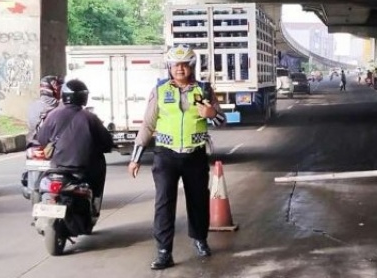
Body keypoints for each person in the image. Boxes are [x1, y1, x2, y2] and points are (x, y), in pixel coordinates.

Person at [128, 45, 226, 270]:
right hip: (165, 156)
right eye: (175, 65)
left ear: (192, 67)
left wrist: (212, 114)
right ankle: (164, 252)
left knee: (198, 201)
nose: (180, 69)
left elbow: (220, 120)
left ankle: (200, 240)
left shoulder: (202, 90)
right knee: (164, 203)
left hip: (195, 155)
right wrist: (136, 158)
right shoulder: (160, 91)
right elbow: (148, 124)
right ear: (169, 67)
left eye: (184, 65)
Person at [36, 79, 113, 215]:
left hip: (57, 166)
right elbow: (107, 143)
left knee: (39, 183)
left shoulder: (52, 115)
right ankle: (93, 202)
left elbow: (42, 138)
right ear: (83, 97)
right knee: (100, 166)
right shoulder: (90, 118)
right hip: (82, 169)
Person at [22, 75, 63, 201]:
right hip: (54, 146)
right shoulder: (61, 107)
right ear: (55, 89)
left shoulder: (32, 106)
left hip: (33, 145)